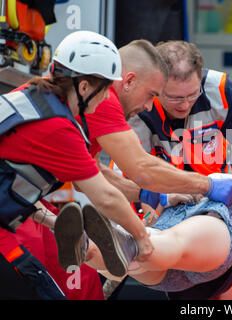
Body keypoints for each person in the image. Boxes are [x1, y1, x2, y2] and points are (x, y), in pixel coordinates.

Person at [0, 30, 152, 299]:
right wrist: (142, 238)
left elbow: (10, 188)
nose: (107, 99)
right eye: (105, 89)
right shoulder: (57, 128)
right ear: (84, 88)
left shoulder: (36, 99)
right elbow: (104, 196)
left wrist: (52, 221)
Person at [78, 39, 232, 214]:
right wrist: (207, 185)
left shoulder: (98, 99)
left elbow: (91, 173)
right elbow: (141, 169)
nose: (149, 106)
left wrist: (156, 198)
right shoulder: (106, 102)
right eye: (151, 95)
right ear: (129, 81)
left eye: (192, 95)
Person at [50, 194, 232, 300]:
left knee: (167, 242)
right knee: (143, 252)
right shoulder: (182, 186)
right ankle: (88, 249)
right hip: (164, 264)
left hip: (216, 238)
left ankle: (117, 246)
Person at [126, 40, 232, 199]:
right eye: (175, 98)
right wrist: (153, 211)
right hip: (156, 200)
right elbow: (132, 173)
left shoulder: (219, 91)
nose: (185, 104)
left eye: (193, 94)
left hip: (217, 198)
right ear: (156, 85)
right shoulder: (138, 104)